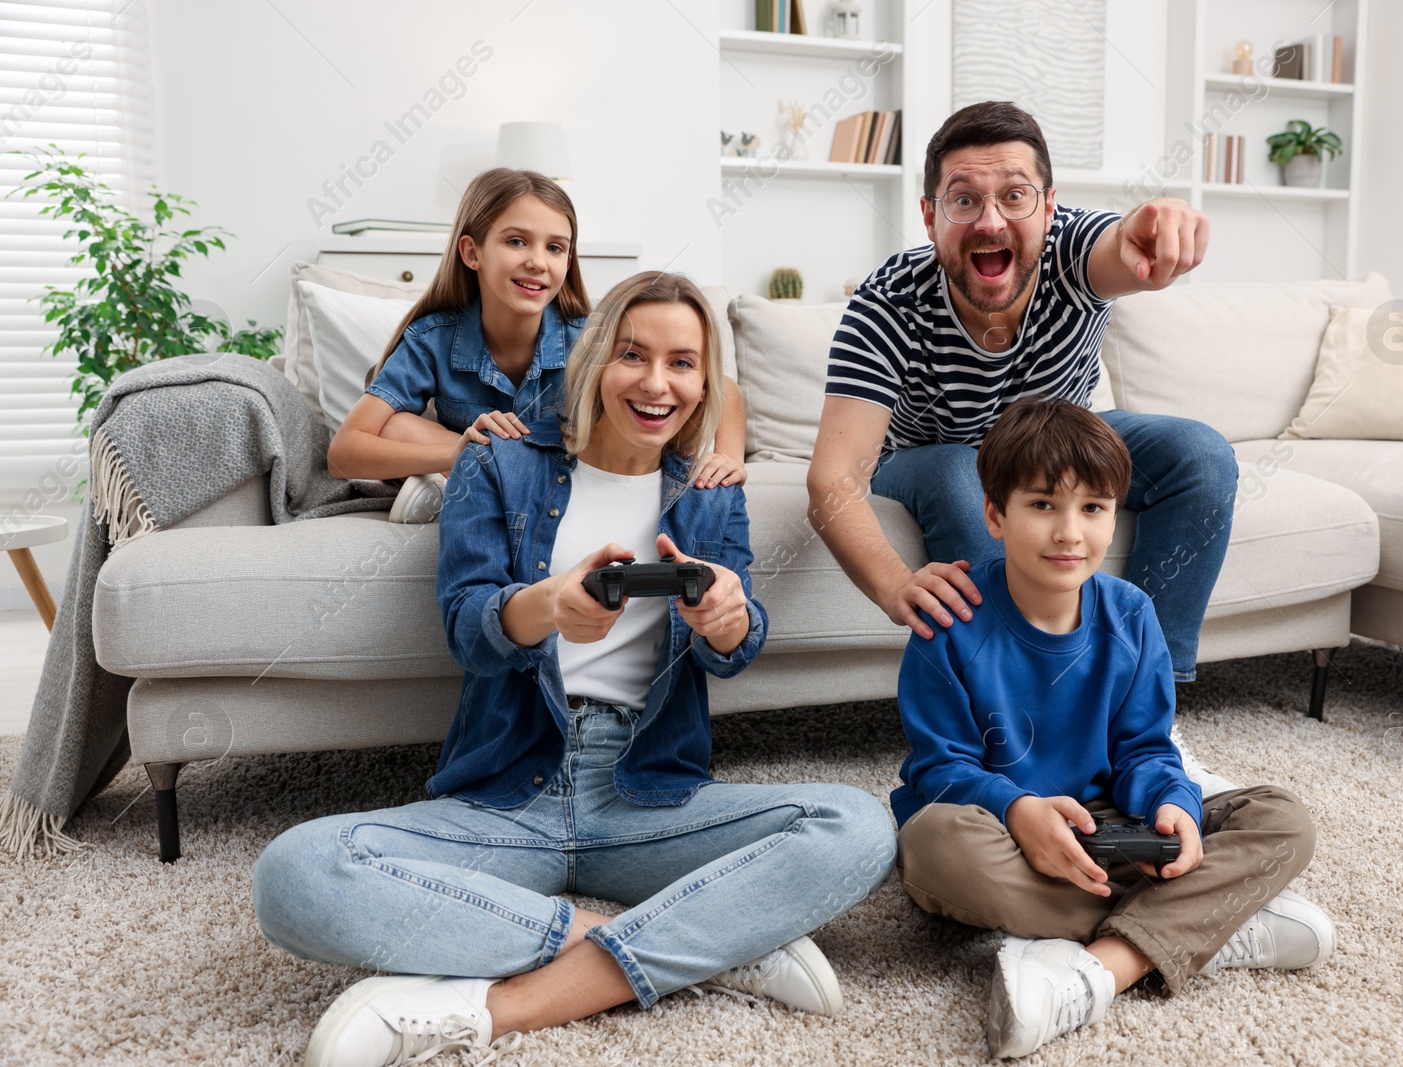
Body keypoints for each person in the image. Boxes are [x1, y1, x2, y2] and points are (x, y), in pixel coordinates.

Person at [254, 272, 896, 1067]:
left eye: (683, 363)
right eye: (633, 354)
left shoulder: (708, 492)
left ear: (705, 384)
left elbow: (734, 648)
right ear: (593, 358)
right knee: (296, 872)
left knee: (859, 825)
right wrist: (547, 606)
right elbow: (467, 627)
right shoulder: (499, 464)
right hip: (510, 795)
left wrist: (728, 622)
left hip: (645, 794)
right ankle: (707, 942)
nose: (657, 383)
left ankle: (503, 1004)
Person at [891, 397, 1334, 1059]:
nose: (1070, 532)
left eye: (1093, 508)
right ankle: (1201, 921)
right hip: (999, 827)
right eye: (1043, 505)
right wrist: (1018, 808)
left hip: (1106, 823)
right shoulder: (951, 621)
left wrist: (1172, 803)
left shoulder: (1132, 613)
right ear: (995, 515)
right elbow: (938, 771)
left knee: (1283, 818)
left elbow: (1145, 748)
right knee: (933, 845)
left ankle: (1102, 964)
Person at [808, 100, 1231, 691]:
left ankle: (1141, 696)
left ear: (1049, 206)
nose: (990, 221)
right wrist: (893, 585)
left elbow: (1117, 248)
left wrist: (1152, 226)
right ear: (930, 217)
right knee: (963, 473)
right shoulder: (886, 306)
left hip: (1057, 441)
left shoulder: (1070, 250)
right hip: (932, 455)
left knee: (1201, 455)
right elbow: (833, 481)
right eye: (964, 199)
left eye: (1015, 195)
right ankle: (1029, 702)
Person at [328, 168, 747, 523]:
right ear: (472, 253)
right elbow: (343, 454)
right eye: (516, 241)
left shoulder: (587, 337)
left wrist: (730, 458)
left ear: (569, 261)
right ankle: (457, 483)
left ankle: (459, 492)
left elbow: (721, 389)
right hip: (480, 466)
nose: (537, 261)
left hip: (563, 476)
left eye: (555, 247)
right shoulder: (433, 338)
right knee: (395, 422)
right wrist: (455, 454)